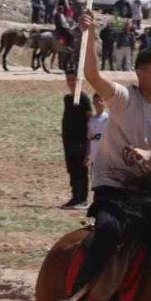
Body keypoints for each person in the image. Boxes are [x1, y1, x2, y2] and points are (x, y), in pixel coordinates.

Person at [44, 12, 151, 301]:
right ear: (139, 73)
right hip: (114, 186)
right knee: (109, 230)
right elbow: (92, 74)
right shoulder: (124, 98)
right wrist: (91, 34)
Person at [61, 71, 94, 209]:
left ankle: (82, 199)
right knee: (72, 169)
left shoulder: (84, 98)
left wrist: (89, 139)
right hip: (68, 140)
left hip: (80, 140)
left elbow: (89, 118)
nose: (71, 82)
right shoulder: (68, 99)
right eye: (69, 79)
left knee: (81, 169)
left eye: (74, 79)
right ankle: (75, 197)